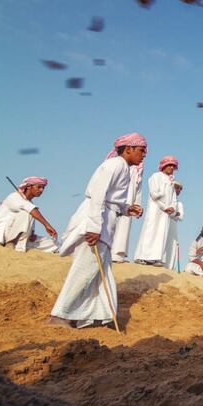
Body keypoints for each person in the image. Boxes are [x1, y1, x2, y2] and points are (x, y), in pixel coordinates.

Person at [48, 133, 146, 328]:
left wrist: (127, 209)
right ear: (128, 149)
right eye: (141, 150)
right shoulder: (114, 165)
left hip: (105, 223)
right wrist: (93, 228)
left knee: (100, 273)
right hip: (96, 222)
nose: (144, 155)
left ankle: (97, 316)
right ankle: (59, 315)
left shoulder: (124, 168)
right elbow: (98, 197)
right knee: (84, 270)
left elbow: (112, 199)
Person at [134, 156, 178, 266]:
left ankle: (156, 258)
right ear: (164, 166)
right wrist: (164, 206)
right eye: (169, 165)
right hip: (156, 209)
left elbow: (173, 198)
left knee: (161, 233)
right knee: (151, 230)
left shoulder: (171, 181)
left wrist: (172, 207)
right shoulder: (156, 176)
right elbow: (154, 194)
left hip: (166, 213)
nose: (172, 167)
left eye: (173, 166)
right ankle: (142, 256)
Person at [0, 176, 57, 252]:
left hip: (21, 238)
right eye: (39, 187)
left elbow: (28, 223)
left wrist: (31, 234)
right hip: (2, 233)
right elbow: (30, 209)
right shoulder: (14, 197)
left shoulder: (30, 204)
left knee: (53, 244)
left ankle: (20, 246)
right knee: (26, 212)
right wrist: (47, 225)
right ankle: (11, 244)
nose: (41, 190)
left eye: (43, 188)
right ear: (29, 187)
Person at [111, 152, 143, 263]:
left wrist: (137, 204)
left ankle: (118, 254)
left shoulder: (139, 167)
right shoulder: (119, 163)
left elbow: (138, 188)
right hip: (116, 199)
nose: (143, 154)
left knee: (125, 225)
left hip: (129, 201)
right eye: (141, 151)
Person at [164, 181, 184, 271]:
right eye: (176, 187)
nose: (178, 190)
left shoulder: (179, 204)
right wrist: (176, 213)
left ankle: (169, 267)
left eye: (180, 188)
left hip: (172, 225)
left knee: (171, 245)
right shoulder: (165, 200)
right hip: (163, 223)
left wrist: (174, 213)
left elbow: (181, 216)